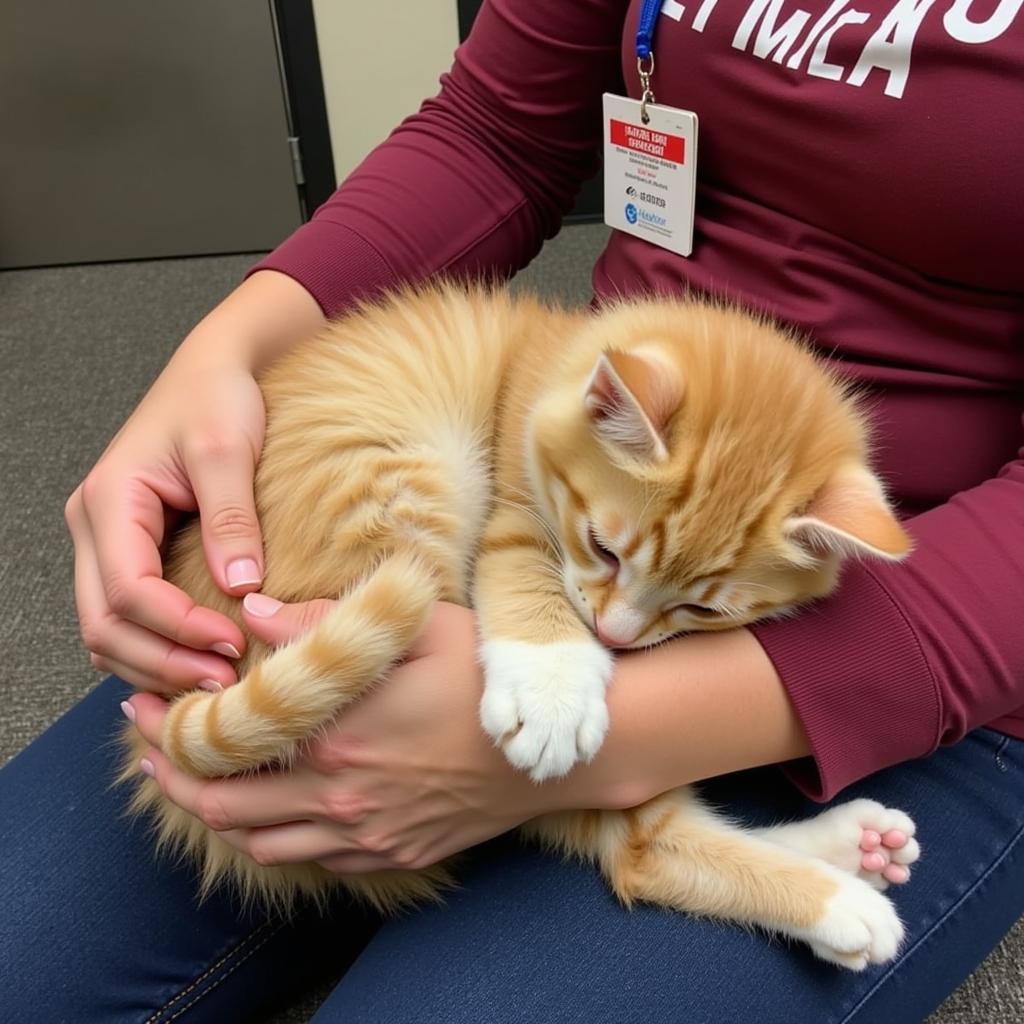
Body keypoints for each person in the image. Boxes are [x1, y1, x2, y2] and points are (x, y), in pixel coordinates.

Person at [3, 2, 1022, 1021]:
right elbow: (495, 130)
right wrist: (219, 354)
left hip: (907, 631)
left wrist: (607, 732)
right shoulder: (592, 468)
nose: (615, 629)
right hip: (603, 470)